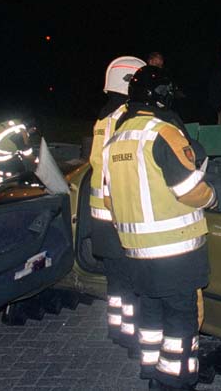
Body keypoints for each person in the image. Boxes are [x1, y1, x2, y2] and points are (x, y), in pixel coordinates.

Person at [103, 65, 216, 390]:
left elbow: (110, 200)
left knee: (150, 317)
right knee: (181, 321)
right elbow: (190, 189)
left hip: (135, 255)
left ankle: (153, 374)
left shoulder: (116, 141)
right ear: (162, 98)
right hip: (176, 253)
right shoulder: (163, 132)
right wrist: (211, 199)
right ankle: (176, 380)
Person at [89, 55, 146, 346]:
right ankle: (131, 333)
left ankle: (117, 329)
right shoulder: (126, 115)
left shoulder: (102, 116)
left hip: (99, 216)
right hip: (118, 215)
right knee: (129, 280)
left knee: (115, 281)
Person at [0, 118, 38, 185]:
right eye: (34, 130)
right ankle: (7, 182)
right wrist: (37, 160)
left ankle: (2, 174)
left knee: (18, 156)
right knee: (19, 166)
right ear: (33, 128)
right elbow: (27, 154)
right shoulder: (21, 133)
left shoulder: (16, 122)